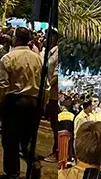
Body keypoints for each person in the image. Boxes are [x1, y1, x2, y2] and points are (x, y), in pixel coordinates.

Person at [0, 26, 48, 179]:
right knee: (28, 139)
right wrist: (41, 105)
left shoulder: (9, 58)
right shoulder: (38, 59)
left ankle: (13, 173)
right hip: (33, 103)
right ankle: (33, 165)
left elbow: (2, 85)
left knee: (10, 141)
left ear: (15, 39)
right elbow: (45, 86)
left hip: (14, 103)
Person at [43, 29, 59, 163]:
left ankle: (57, 152)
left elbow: (56, 75)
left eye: (46, 37)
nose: (43, 39)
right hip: (50, 95)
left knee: (55, 126)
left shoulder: (57, 53)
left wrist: (48, 88)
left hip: (54, 96)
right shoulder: (50, 52)